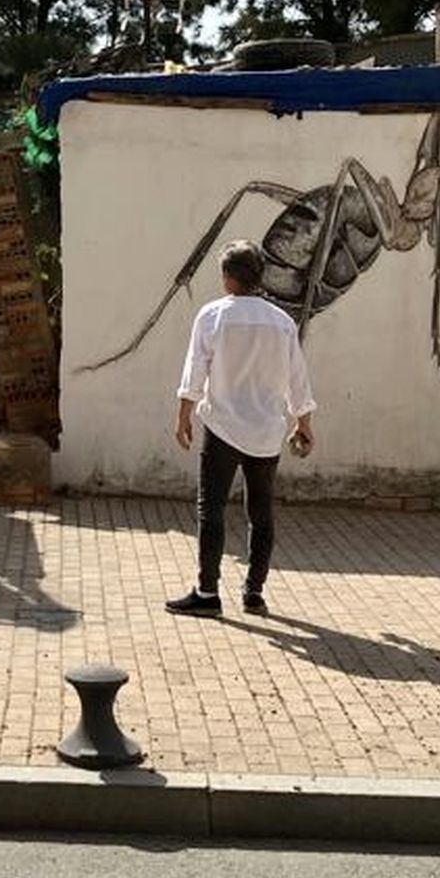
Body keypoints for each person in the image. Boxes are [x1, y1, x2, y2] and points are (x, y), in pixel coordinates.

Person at [166, 239, 315, 618]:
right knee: (261, 513)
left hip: (222, 425)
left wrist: (184, 414)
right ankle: (253, 592)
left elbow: (195, 368)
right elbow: (297, 378)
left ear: (227, 277)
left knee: (211, 508)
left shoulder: (213, 315)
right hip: (266, 430)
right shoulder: (282, 322)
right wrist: (304, 422)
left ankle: (207, 591)